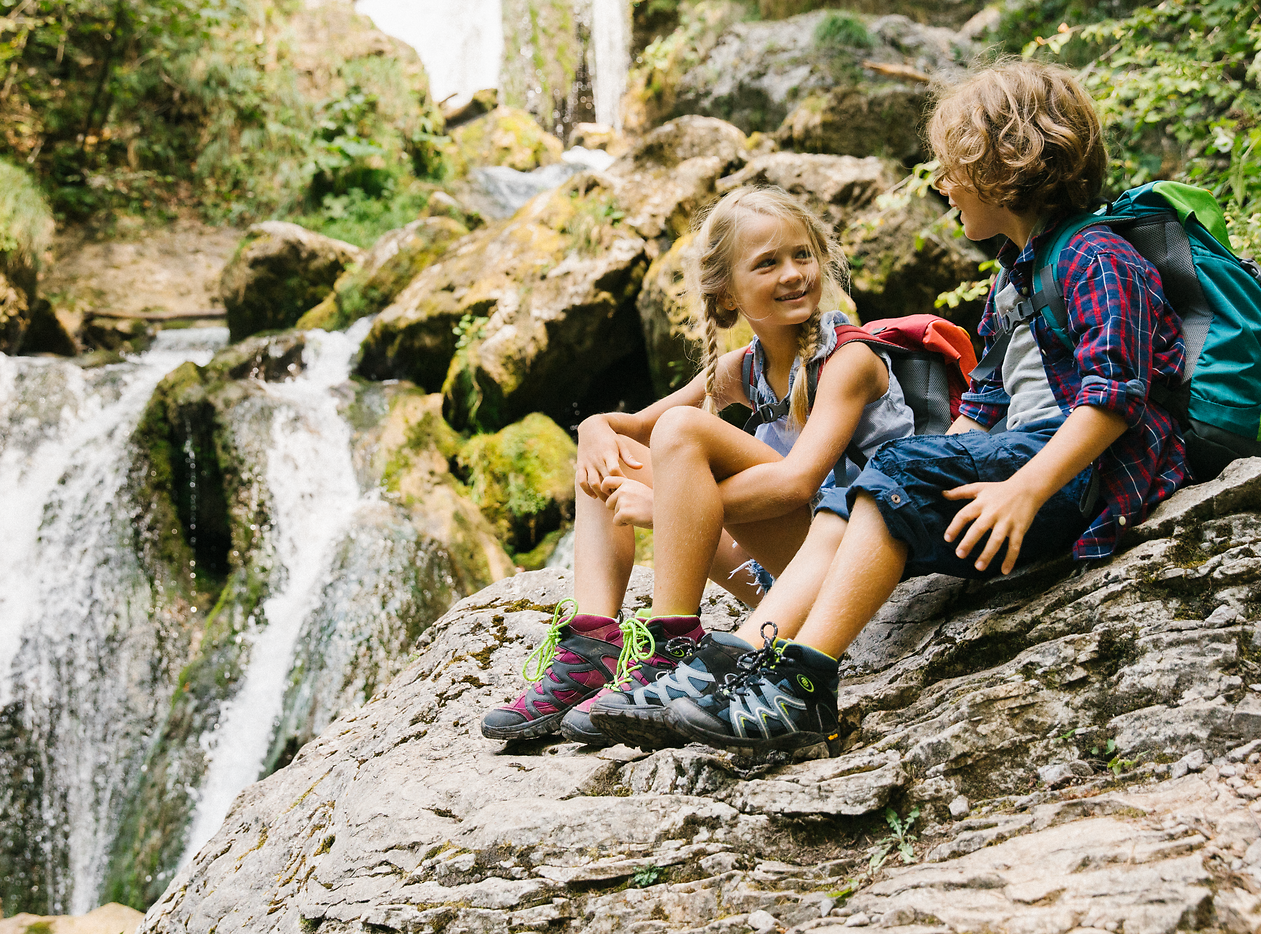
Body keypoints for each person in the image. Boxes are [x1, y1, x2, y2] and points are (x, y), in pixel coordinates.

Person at [663, 60, 1189, 757]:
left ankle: (801, 684)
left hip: (1077, 477)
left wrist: (1024, 489)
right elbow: (990, 396)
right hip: (1026, 468)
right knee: (867, 487)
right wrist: (948, 460)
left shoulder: (1095, 256)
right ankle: (732, 661)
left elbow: (1114, 395)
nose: (942, 185)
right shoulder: (1018, 273)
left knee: (896, 468)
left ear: (1006, 167)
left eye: (951, 169)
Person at [480, 184, 914, 745]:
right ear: (728, 295)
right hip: (775, 579)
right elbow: (625, 430)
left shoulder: (848, 361)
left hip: (849, 571)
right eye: (768, 263)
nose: (793, 274)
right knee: (609, 459)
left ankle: (672, 649)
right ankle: (590, 648)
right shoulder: (743, 369)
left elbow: (796, 483)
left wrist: (666, 509)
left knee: (683, 430)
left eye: (802, 255)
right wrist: (592, 429)